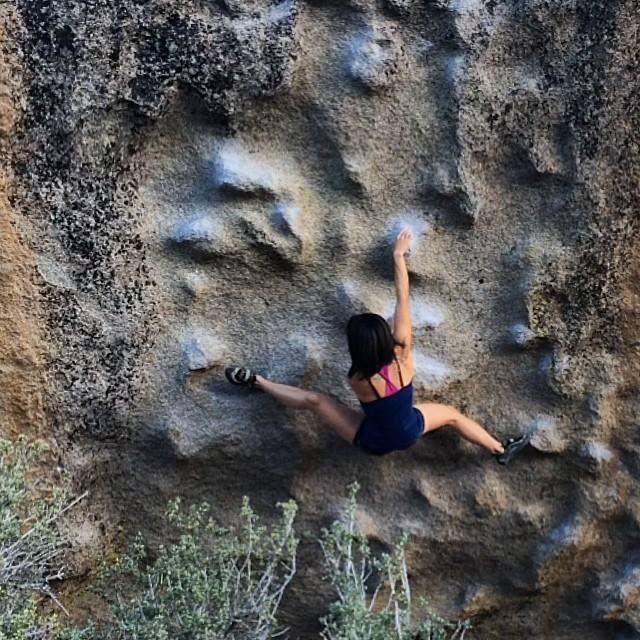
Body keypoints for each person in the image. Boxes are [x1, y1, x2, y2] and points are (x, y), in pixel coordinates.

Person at [225, 229, 530, 464]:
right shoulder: (404, 354)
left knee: (315, 400)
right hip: (409, 431)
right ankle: (499, 449)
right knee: (453, 415)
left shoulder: (357, 380)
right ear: (385, 337)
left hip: (373, 440)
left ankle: (259, 381)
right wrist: (398, 256)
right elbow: (402, 298)